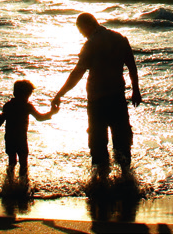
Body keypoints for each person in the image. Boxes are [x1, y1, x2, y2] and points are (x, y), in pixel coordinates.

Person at [52, 13, 141, 174]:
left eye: (81, 29)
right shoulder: (119, 39)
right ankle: (126, 178)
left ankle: (101, 181)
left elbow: (77, 73)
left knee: (98, 141)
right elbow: (132, 67)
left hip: (97, 99)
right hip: (117, 97)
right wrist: (136, 90)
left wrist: (60, 93)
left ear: (88, 25)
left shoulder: (91, 44)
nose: (81, 33)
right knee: (122, 139)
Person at [0, 79, 57, 179]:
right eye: (28, 94)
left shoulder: (8, 105)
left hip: (10, 137)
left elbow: (2, 117)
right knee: (23, 162)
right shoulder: (27, 106)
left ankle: (10, 183)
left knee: (12, 161)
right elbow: (39, 117)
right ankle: (23, 184)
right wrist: (52, 113)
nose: (28, 97)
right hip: (21, 139)